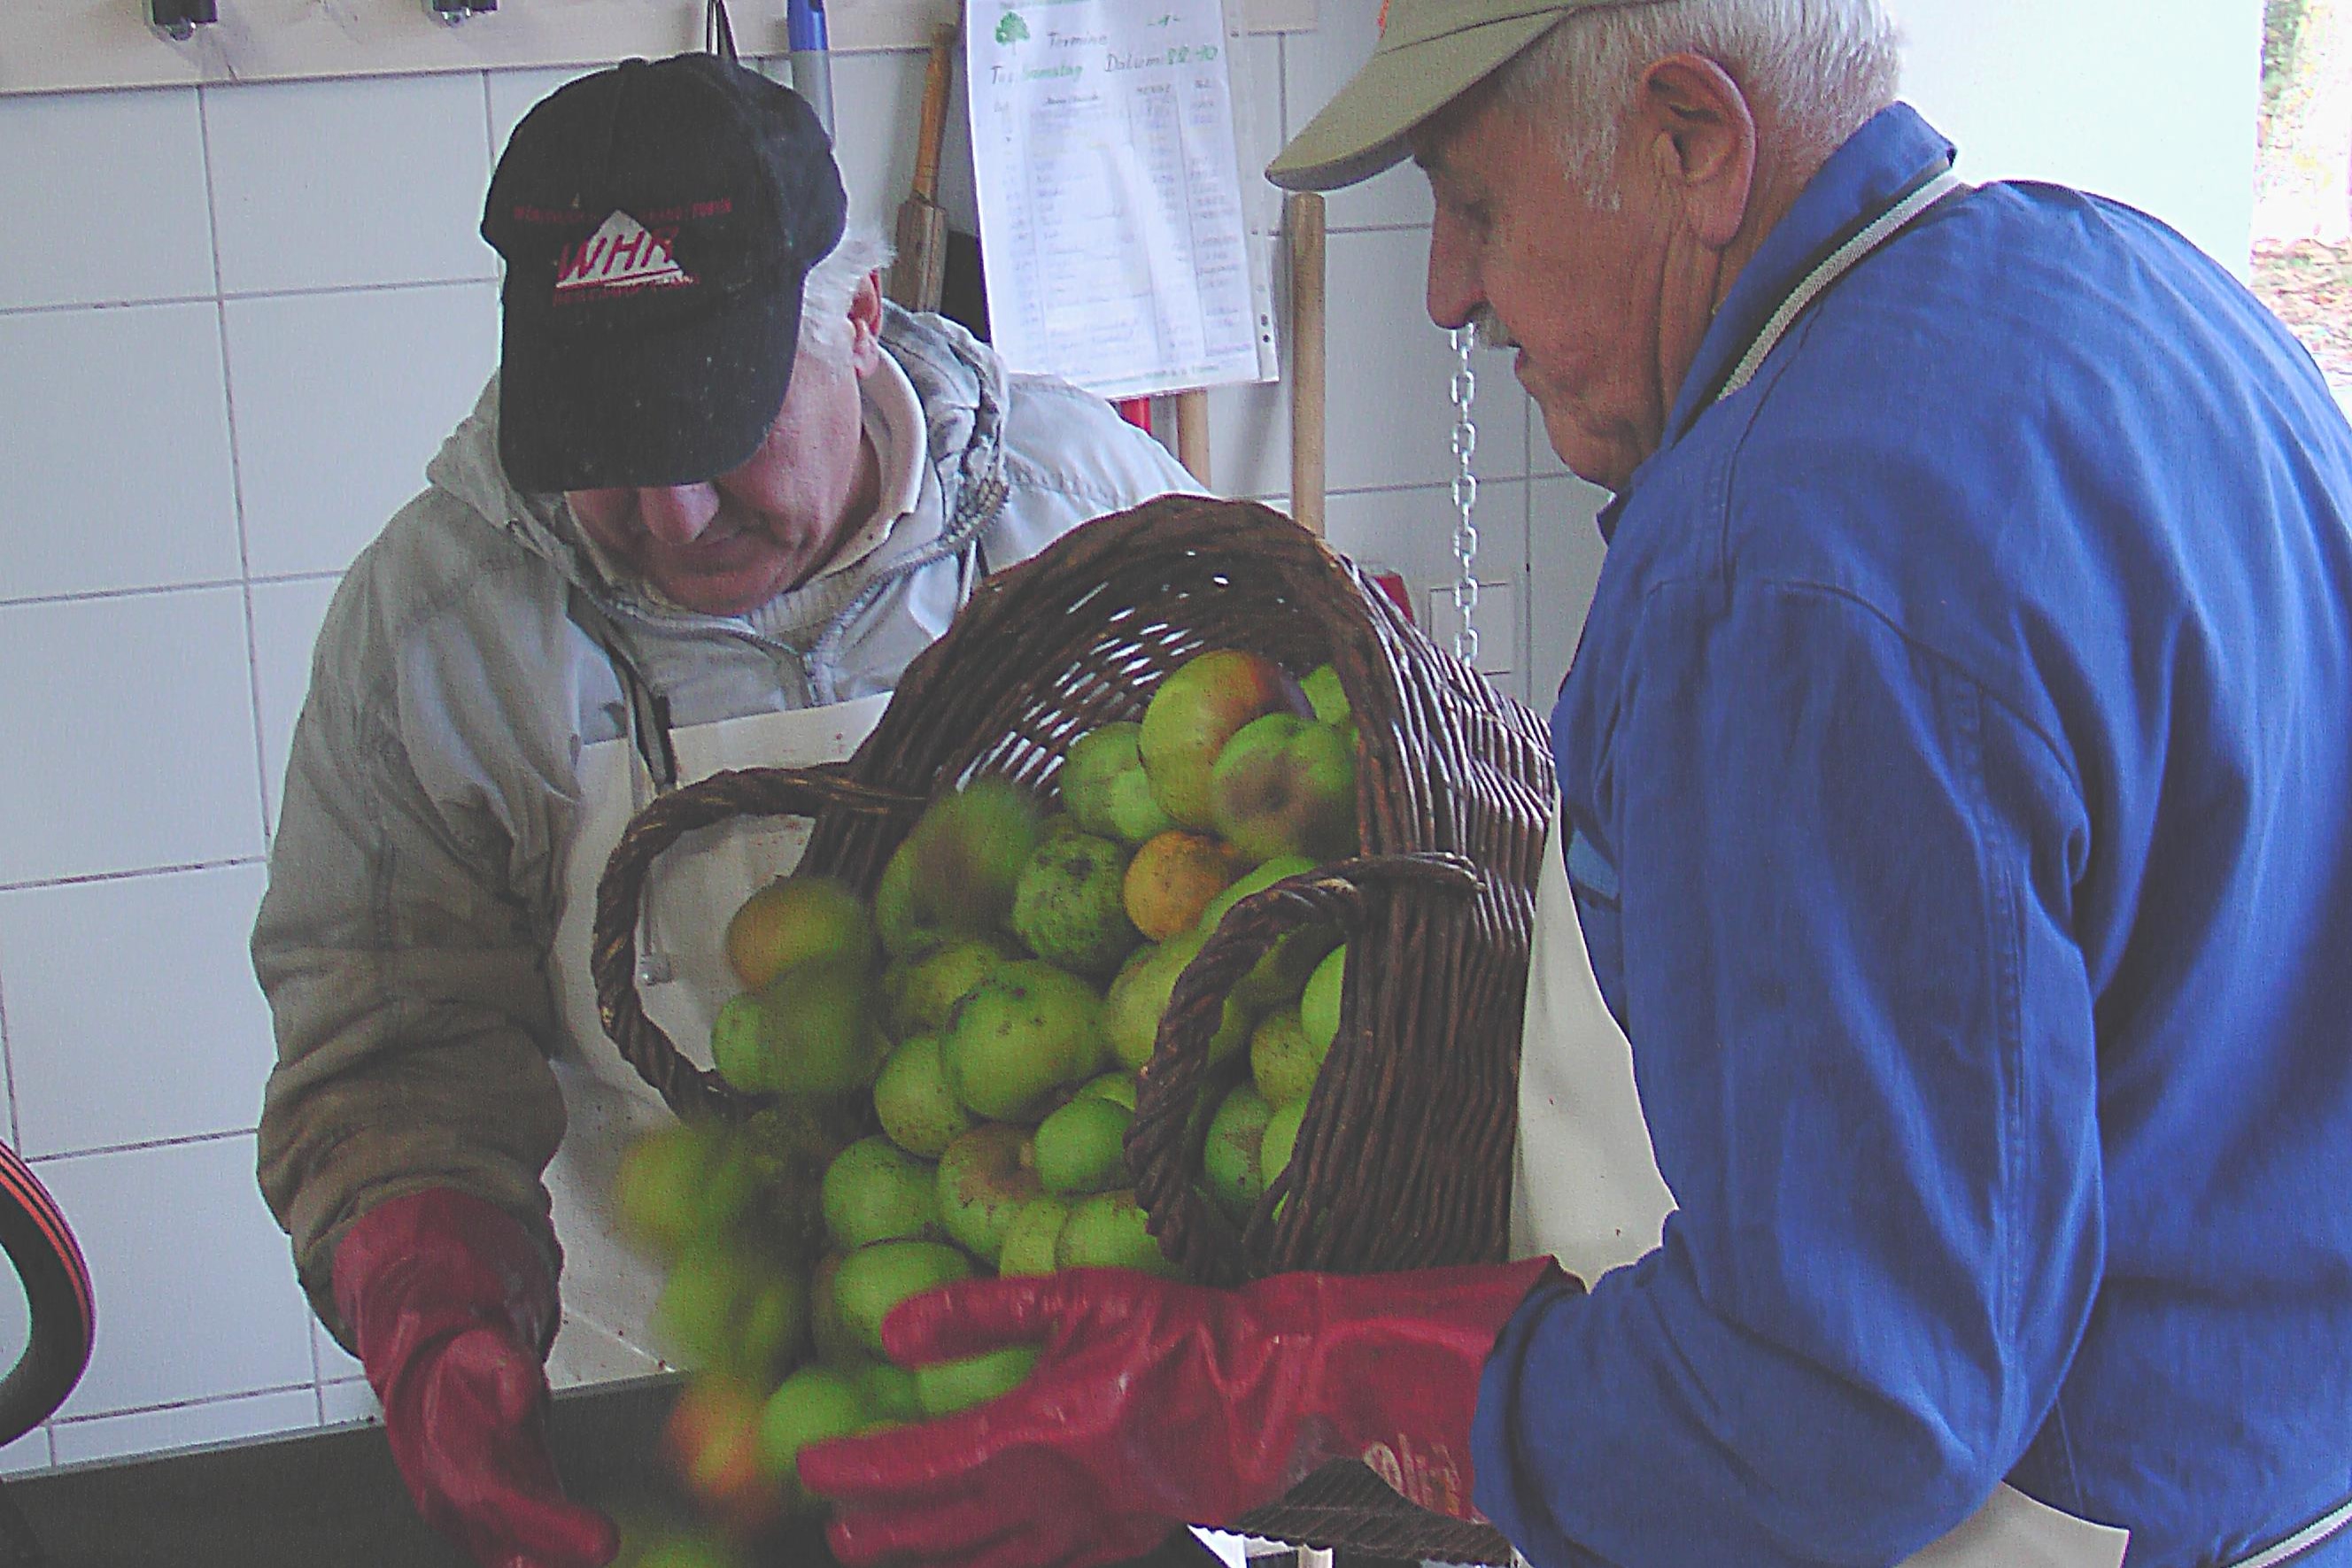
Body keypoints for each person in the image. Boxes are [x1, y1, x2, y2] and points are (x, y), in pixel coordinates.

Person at [796, 2, 2352, 1566]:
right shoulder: (2126, 291)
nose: (1448, 290)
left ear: (1693, 143)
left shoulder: (1782, 558)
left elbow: (1846, 1408)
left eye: (1474, 203)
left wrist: (1315, 1382)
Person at [251, 50, 1198, 1568]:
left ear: (864, 324)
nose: (672, 517)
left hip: (1073, 1396)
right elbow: (391, 1037)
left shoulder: (1085, 523)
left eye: (716, 432)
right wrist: (432, 1300)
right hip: (670, 1415)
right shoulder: (442, 630)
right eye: (610, 460)